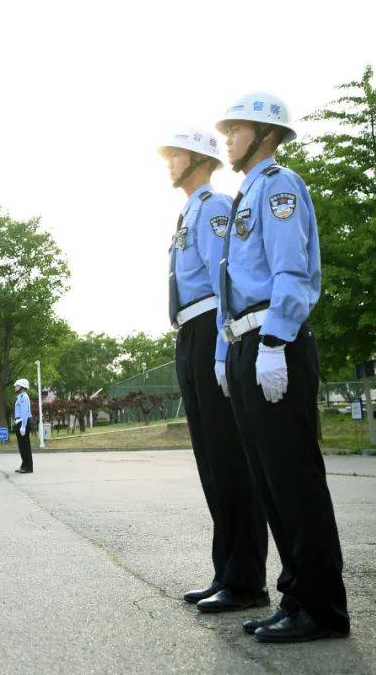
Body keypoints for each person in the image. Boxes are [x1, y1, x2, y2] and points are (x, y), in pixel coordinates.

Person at [215, 92, 349, 643]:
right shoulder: (247, 192)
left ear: (266, 135)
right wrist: (229, 350)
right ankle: (295, 595)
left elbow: (291, 270)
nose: (227, 141)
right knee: (269, 480)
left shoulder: (279, 187)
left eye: (235, 131)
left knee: (294, 478)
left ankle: (321, 607)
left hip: (277, 340)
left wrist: (273, 340)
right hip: (248, 342)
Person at [156, 128, 269, 613]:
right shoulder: (191, 210)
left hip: (210, 329)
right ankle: (226, 571)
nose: (168, 163)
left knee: (229, 457)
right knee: (210, 459)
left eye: (175, 155)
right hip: (190, 331)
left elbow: (225, 280)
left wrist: (223, 346)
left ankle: (246, 580)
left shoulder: (215, 208)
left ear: (199, 159)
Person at [12, 379, 33, 474]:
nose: (15, 388)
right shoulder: (19, 397)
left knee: (25, 446)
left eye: (17, 386)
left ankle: (28, 467)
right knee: (21, 446)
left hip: (23, 422)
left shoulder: (24, 397)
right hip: (19, 422)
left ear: (22, 387)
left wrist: (23, 426)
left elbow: (25, 412)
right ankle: (24, 465)